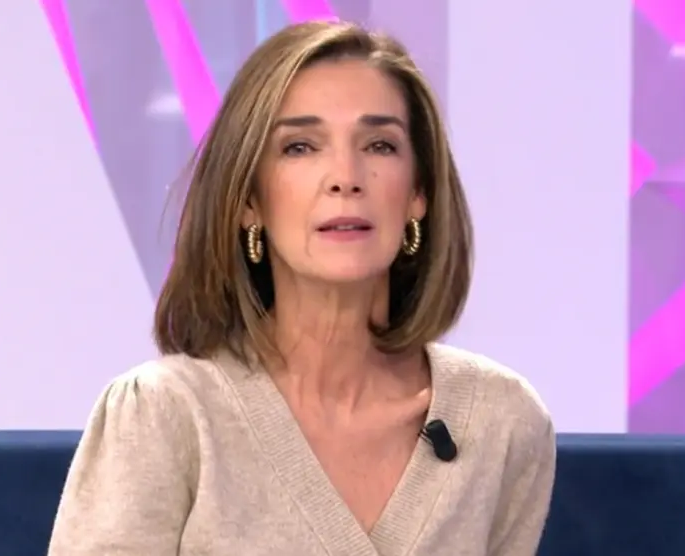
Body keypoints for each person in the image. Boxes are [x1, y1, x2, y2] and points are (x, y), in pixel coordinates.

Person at [48, 20, 555, 556]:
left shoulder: (502, 422)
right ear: (250, 201)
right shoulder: (164, 415)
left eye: (379, 145)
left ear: (417, 194)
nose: (345, 176)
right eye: (300, 147)